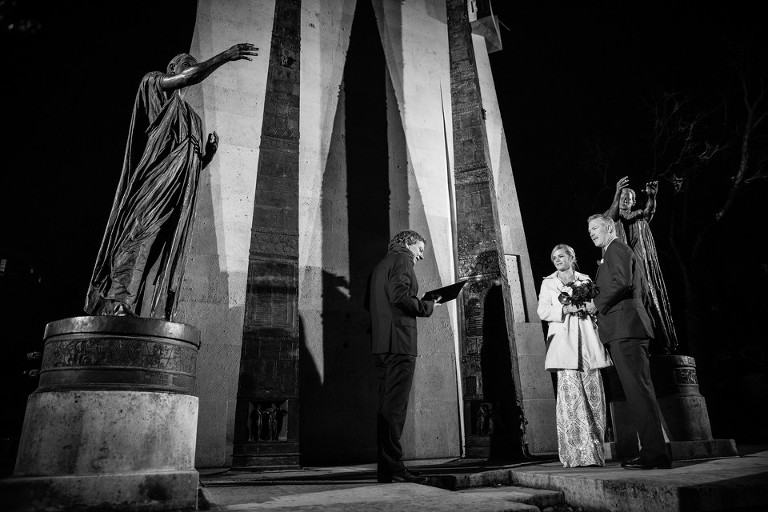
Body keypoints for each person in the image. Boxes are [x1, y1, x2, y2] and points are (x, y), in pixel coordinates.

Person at [85, 43, 259, 320]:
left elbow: (189, 164)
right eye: (186, 64)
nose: (191, 68)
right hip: (151, 188)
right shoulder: (153, 85)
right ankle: (116, 302)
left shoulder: (193, 118)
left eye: (193, 64)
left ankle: (134, 307)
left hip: (177, 196)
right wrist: (225, 56)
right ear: (173, 68)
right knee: (136, 239)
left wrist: (207, 157)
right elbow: (189, 78)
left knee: (155, 250)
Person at [587, 214, 671, 470]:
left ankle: (655, 454)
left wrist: (596, 304)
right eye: (588, 230)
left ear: (609, 227)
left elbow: (622, 282)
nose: (590, 233)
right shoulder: (612, 252)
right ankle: (654, 451)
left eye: (594, 228)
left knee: (639, 392)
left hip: (626, 329)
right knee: (639, 392)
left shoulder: (617, 248)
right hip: (625, 329)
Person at [366, 230, 439, 484]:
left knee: (388, 408)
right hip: (400, 343)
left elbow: (371, 302)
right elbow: (399, 297)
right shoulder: (402, 260)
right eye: (420, 249)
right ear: (408, 243)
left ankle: (388, 467)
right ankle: (394, 468)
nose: (420, 255)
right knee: (395, 409)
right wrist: (428, 305)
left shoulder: (381, 264)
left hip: (383, 344)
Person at [537, 244, 612, 467]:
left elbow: (595, 304)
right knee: (571, 397)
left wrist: (590, 307)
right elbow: (542, 311)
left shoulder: (585, 279)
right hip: (564, 343)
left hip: (587, 340)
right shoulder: (548, 282)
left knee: (592, 394)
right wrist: (565, 310)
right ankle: (574, 454)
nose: (557, 260)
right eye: (554, 258)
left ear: (572, 257)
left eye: (561, 256)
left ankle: (595, 453)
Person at [605, 176, 678, 353]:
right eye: (621, 198)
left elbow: (648, 212)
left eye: (627, 199)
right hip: (623, 272)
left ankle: (658, 341)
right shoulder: (609, 222)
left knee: (649, 299)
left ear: (633, 201)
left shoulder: (639, 219)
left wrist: (652, 197)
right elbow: (612, 216)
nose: (624, 201)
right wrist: (616, 192)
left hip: (642, 268)